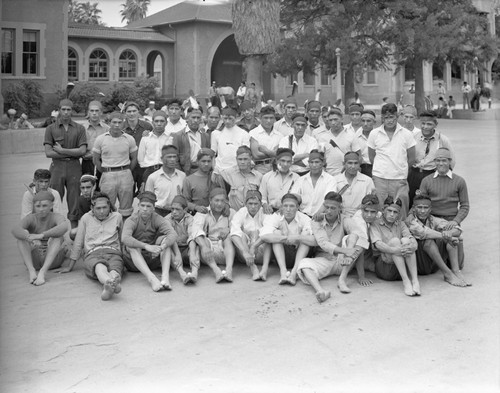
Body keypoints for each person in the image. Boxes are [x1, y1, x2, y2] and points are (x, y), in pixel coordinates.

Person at [297, 192, 366, 303]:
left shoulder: (345, 219)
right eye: (326, 207)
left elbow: (359, 234)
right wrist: (346, 250)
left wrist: (348, 251)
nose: (329, 211)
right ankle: (321, 291)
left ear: (340, 208)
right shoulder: (316, 221)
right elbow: (323, 243)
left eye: (333, 208)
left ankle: (342, 280)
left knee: (353, 237)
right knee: (304, 264)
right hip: (325, 259)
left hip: (344, 261)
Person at [64, 192, 124, 301]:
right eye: (98, 208)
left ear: (109, 206)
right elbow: (78, 241)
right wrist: (70, 265)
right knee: (99, 266)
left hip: (113, 252)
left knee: (116, 268)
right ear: (92, 208)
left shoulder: (117, 217)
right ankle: (110, 282)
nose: (101, 211)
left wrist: (124, 256)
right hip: (93, 253)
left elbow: (122, 238)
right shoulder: (85, 218)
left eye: (105, 207)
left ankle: (111, 283)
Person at [419, 147, 469, 269]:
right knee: (431, 258)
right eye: (438, 160)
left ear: (450, 162)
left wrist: (455, 221)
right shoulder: (426, 181)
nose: (441, 163)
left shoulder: (459, 181)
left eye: (444, 160)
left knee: (458, 265)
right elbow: (420, 203)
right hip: (432, 219)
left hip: (451, 220)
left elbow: (465, 206)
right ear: (434, 162)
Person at [405, 193, 470, 286]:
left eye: (425, 207)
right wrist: (447, 236)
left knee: (450, 239)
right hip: (420, 264)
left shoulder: (433, 219)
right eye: (419, 207)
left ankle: (456, 271)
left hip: (433, 264)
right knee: (429, 241)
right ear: (413, 208)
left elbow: (458, 230)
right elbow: (424, 232)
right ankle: (447, 274)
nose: (422, 211)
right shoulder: (410, 222)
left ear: (430, 209)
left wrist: (449, 234)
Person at [121, 191, 178, 291]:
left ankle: (165, 278)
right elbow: (125, 238)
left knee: (165, 241)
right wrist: (146, 246)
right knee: (131, 246)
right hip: (133, 263)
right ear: (138, 206)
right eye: (142, 205)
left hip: (152, 258)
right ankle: (152, 279)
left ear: (153, 208)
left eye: (148, 206)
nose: (145, 209)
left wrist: (162, 247)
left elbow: (173, 234)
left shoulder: (157, 218)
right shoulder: (132, 220)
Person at [44, 98, 87, 229]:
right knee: (54, 198)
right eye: (63, 109)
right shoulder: (51, 129)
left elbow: (82, 150)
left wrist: (63, 150)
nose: (66, 112)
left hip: (74, 167)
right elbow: (48, 153)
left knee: (74, 199)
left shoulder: (79, 128)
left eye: (69, 109)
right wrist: (73, 152)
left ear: (72, 111)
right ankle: (54, 230)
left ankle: (74, 230)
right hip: (57, 167)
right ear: (59, 110)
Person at [368, 103, 415, 218]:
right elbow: (371, 157)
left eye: (392, 117)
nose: (389, 121)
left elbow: (412, 158)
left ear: (397, 116)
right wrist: (382, 169)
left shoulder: (407, 134)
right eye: (386, 118)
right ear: (382, 118)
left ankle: (402, 234)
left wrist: (401, 172)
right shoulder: (374, 134)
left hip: (399, 180)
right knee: (379, 210)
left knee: (400, 209)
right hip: (380, 179)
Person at [12, 191, 68, 285]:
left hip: (53, 260)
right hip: (35, 260)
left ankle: (42, 272)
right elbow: (15, 230)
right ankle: (31, 271)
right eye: (38, 206)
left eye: (45, 206)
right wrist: (27, 237)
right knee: (20, 239)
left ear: (51, 205)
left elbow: (64, 226)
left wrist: (42, 235)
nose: (41, 209)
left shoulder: (56, 216)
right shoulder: (31, 218)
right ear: (34, 206)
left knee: (58, 237)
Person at [369, 196, 420, 296]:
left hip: (400, 265)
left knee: (406, 240)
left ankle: (415, 281)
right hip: (384, 267)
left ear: (399, 214)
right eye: (389, 211)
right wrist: (397, 250)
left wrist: (413, 247)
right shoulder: (375, 224)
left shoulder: (401, 224)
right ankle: (406, 282)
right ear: (383, 210)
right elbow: (378, 245)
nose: (392, 215)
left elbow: (411, 238)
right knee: (395, 241)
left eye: (395, 212)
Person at [260, 193, 315, 285]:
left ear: (297, 207)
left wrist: (298, 237)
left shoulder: (304, 218)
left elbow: (314, 240)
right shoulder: (276, 216)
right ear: (281, 207)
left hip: (300, 256)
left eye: (292, 206)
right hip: (283, 255)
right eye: (285, 206)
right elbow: (264, 236)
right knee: (276, 234)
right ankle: (283, 272)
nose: (288, 209)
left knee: (306, 236)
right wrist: (285, 238)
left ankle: (294, 273)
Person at [93, 112, 137, 219]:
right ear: (109, 123)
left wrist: (126, 170)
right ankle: (109, 233)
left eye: (119, 122)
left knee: (126, 208)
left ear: (123, 124)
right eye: (114, 122)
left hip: (125, 174)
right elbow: (96, 159)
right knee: (106, 206)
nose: (117, 125)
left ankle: (124, 233)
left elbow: (134, 158)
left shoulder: (129, 139)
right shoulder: (100, 139)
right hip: (108, 174)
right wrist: (105, 171)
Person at [408, 111, 455, 207]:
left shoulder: (443, 140)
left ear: (435, 125)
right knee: (412, 203)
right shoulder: (413, 138)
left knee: (431, 204)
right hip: (414, 175)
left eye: (429, 124)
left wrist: (443, 178)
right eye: (423, 123)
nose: (425, 127)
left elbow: (451, 161)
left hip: (432, 175)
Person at [191, 188, 236, 282]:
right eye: (216, 200)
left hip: (226, 251)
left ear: (226, 202)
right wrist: (204, 246)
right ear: (210, 200)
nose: (219, 204)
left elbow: (237, 227)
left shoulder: (231, 212)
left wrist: (229, 229)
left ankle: (229, 270)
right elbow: (195, 230)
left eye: (222, 201)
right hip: (207, 252)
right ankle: (216, 270)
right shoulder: (202, 212)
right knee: (200, 239)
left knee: (230, 237)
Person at [230, 190, 272, 281]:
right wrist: (245, 252)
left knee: (267, 235)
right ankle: (253, 268)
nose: (253, 207)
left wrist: (254, 245)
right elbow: (234, 233)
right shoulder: (241, 212)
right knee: (241, 235)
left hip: (261, 251)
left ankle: (264, 270)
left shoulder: (265, 213)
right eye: (250, 203)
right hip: (245, 255)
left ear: (261, 204)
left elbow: (268, 232)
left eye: (256, 204)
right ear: (245, 204)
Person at [290, 150, 337, 217]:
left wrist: (319, 213)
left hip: (322, 217)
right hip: (302, 216)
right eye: (311, 162)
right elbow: (293, 198)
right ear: (308, 163)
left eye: (317, 162)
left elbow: (329, 199)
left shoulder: (330, 180)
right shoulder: (301, 180)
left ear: (323, 163)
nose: (314, 165)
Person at [165, 195, 200, 284]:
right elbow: (170, 238)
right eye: (172, 209)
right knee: (167, 248)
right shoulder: (167, 219)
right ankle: (182, 274)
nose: (174, 212)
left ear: (185, 210)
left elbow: (192, 237)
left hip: (187, 248)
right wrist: (177, 254)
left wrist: (192, 254)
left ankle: (194, 273)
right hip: (175, 247)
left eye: (177, 209)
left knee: (196, 247)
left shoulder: (190, 218)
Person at [315, 108, 361, 176]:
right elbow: (319, 156)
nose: (333, 123)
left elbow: (359, 156)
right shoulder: (322, 138)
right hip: (328, 175)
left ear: (342, 119)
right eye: (330, 120)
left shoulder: (351, 135)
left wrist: (351, 168)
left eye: (335, 119)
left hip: (347, 174)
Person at [121, 101, 153, 196]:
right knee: (127, 194)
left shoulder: (147, 126)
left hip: (142, 166)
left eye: (134, 111)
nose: (132, 114)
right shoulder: (121, 127)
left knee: (144, 193)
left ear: (138, 112)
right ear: (125, 113)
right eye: (129, 111)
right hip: (127, 164)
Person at [144, 145, 186, 217]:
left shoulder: (182, 176)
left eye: (174, 157)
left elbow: (185, 197)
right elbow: (148, 200)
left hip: (176, 212)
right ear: (162, 159)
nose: (172, 159)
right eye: (169, 157)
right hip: (158, 212)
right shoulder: (153, 177)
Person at [182, 148, 226, 214]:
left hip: (216, 214)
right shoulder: (188, 180)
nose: (206, 164)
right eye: (203, 161)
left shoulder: (217, 177)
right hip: (197, 215)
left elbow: (224, 197)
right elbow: (185, 201)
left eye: (209, 161)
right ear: (197, 162)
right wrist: (196, 207)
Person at [332, 152, 376, 217]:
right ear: (344, 164)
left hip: (360, 216)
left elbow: (371, 202)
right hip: (339, 215)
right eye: (350, 163)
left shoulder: (367, 180)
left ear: (359, 164)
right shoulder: (335, 180)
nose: (353, 166)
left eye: (356, 163)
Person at [220, 146, 262, 211]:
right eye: (240, 159)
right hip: (233, 211)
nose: (242, 162)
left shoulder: (258, 176)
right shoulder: (228, 173)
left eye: (245, 159)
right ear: (236, 159)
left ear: (251, 159)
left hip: (251, 212)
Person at [259, 148, 299, 214]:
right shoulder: (267, 177)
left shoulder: (296, 178)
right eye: (282, 161)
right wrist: (264, 205)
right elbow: (262, 197)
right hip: (270, 213)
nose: (285, 164)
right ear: (277, 161)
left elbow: (298, 199)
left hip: (289, 213)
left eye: (288, 161)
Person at [172, 107, 210, 175]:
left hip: (202, 171)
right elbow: (175, 158)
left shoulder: (205, 136)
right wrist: (180, 174)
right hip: (185, 171)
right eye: (193, 117)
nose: (195, 120)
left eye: (198, 118)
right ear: (187, 119)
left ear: (201, 120)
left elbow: (209, 155)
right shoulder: (178, 136)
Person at [211, 107, 250, 173]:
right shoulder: (216, 133)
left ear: (236, 118)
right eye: (225, 118)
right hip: (220, 170)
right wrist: (214, 170)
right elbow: (212, 154)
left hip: (237, 171)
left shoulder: (243, 134)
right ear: (222, 118)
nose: (227, 121)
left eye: (230, 118)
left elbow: (246, 155)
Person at [137, 110, 171, 187]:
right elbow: (140, 158)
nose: (159, 124)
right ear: (152, 122)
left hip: (165, 170)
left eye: (162, 121)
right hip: (149, 171)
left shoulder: (170, 138)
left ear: (166, 123)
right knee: (149, 196)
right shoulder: (146, 138)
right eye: (156, 121)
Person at [81, 101, 109, 189]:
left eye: (97, 111)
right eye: (92, 111)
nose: (94, 113)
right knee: (88, 190)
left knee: (103, 189)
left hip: (103, 163)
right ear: (88, 112)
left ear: (101, 112)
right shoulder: (82, 129)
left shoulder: (107, 129)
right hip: (87, 163)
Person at [249, 106, 282, 174]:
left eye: (271, 118)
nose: (268, 121)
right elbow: (256, 155)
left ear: (274, 119)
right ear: (260, 118)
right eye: (266, 118)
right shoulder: (253, 133)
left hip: (275, 168)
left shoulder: (280, 135)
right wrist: (273, 153)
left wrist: (265, 150)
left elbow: (281, 155)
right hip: (259, 169)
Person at [356, 110, 376, 177]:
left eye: (368, 121)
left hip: (376, 168)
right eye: (363, 121)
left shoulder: (379, 136)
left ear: (374, 122)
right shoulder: (355, 136)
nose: (365, 124)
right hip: (360, 168)